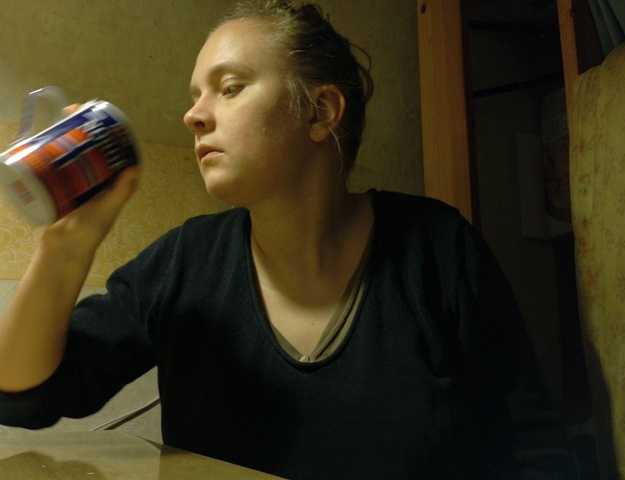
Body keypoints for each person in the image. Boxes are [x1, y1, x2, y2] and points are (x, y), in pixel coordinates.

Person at [0, 1, 530, 478]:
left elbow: (530, 444)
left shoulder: (438, 249)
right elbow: (25, 395)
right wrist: (67, 243)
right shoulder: (185, 263)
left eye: (230, 87)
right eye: (195, 96)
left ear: (321, 111)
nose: (192, 116)